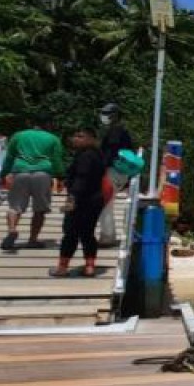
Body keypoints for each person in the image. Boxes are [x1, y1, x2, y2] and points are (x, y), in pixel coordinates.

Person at [0, 114, 65, 252]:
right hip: (42, 174)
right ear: (48, 125)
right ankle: (32, 239)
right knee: (40, 209)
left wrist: (3, 174)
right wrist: (60, 177)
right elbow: (57, 160)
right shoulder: (53, 139)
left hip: (20, 172)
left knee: (15, 206)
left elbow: (9, 157)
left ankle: (12, 230)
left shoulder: (18, 136)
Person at [51, 127, 107, 278]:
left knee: (70, 233)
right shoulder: (98, 155)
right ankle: (89, 266)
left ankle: (62, 267)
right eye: (75, 136)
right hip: (95, 199)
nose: (75, 139)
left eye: (81, 136)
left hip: (81, 200)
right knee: (88, 233)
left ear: (91, 139)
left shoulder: (85, 156)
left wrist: (71, 200)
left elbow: (81, 179)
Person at [97, 103, 135, 246]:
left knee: (105, 204)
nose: (104, 117)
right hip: (120, 172)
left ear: (114, 116)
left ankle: (107, 236)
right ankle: (108, 234)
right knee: (107, 203)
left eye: (106, 114)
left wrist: (101, 168)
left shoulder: (115, 132)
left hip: (113, 171)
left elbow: (110, 154)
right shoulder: (122, 131)